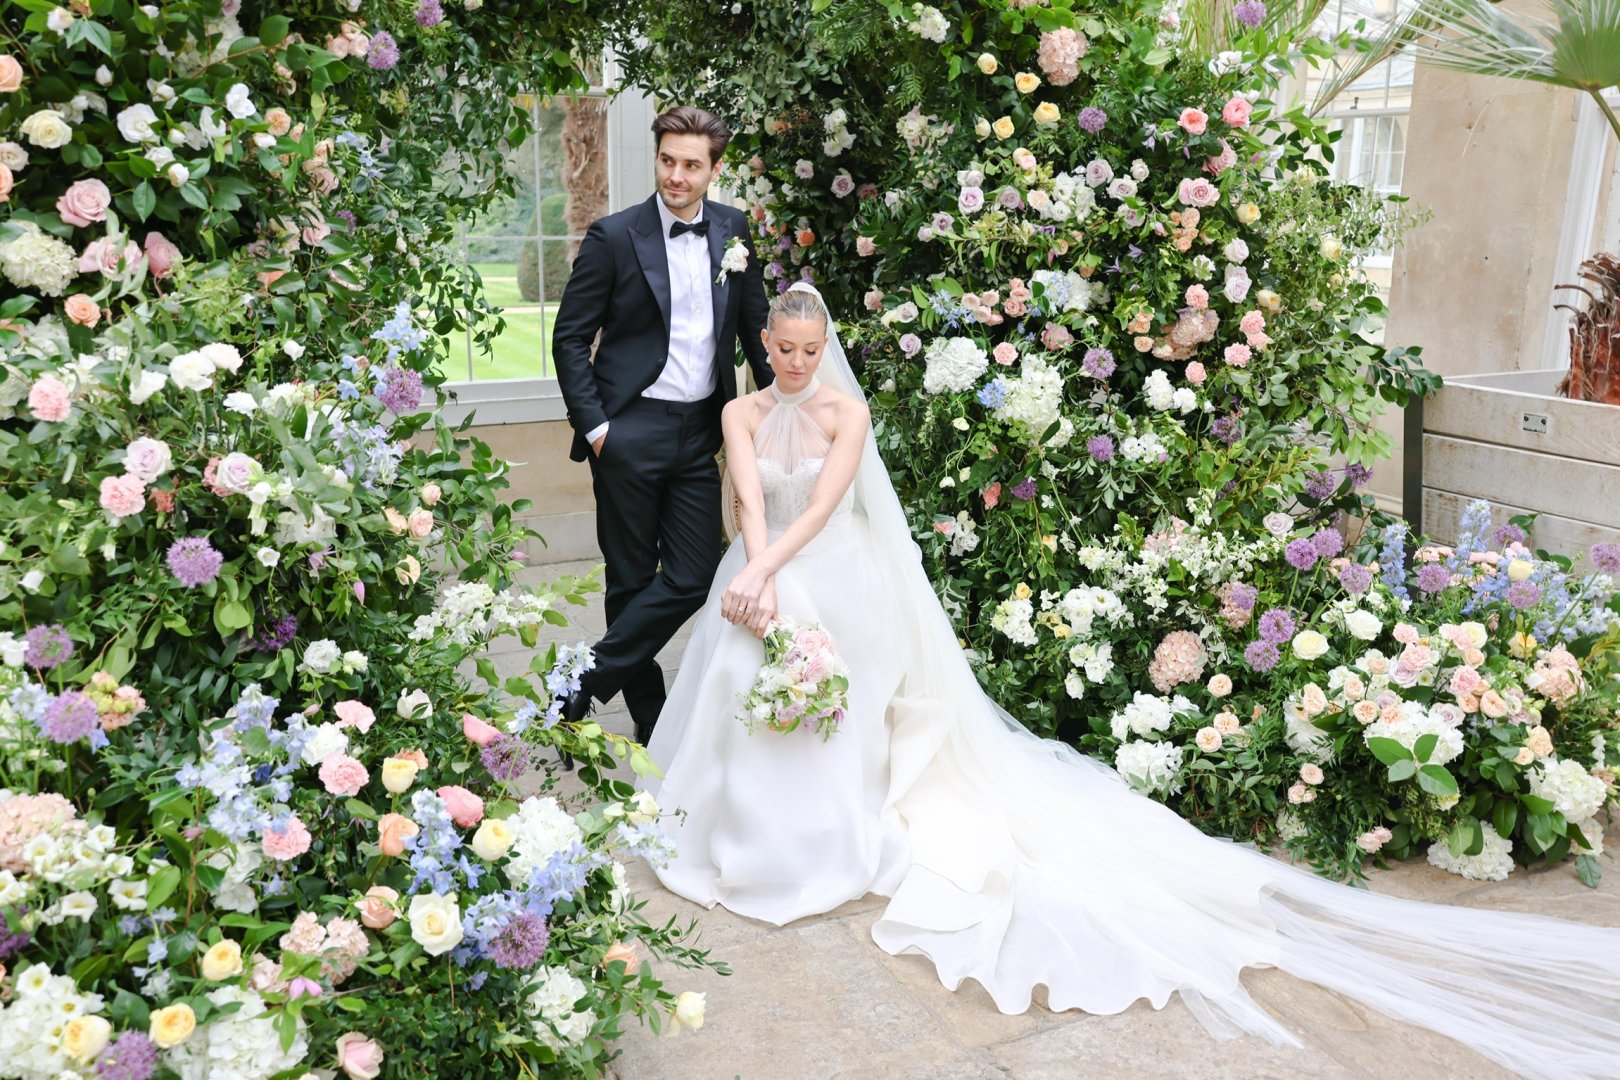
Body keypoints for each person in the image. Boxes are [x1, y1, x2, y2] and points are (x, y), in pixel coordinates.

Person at [644, 282, 1620, 1079]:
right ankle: (744, 838)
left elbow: (822, 505)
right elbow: (752, 499)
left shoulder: (846, 412)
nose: (797, 364)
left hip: (835, 571)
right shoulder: (739, 410)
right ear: (765, 344)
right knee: (741, 690)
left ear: (826, 348)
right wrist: (758, 578)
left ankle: (832, 839)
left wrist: (776, 573)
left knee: (838, 709)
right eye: (784, 350)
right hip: (767, 570)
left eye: (811, 351)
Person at [552, 105, 772, 745]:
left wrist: (783, 409)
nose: (676, 176)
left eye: (691, 165)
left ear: (713, 170)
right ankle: (651, 722)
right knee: (628, 582)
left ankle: (578, 684)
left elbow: (756, 328)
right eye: (668, 161)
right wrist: (598, 429)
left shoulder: (733, 231)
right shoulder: (614, 236)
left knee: (694, 576)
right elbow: (570, 338)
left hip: (703, 432)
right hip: (628, 429)